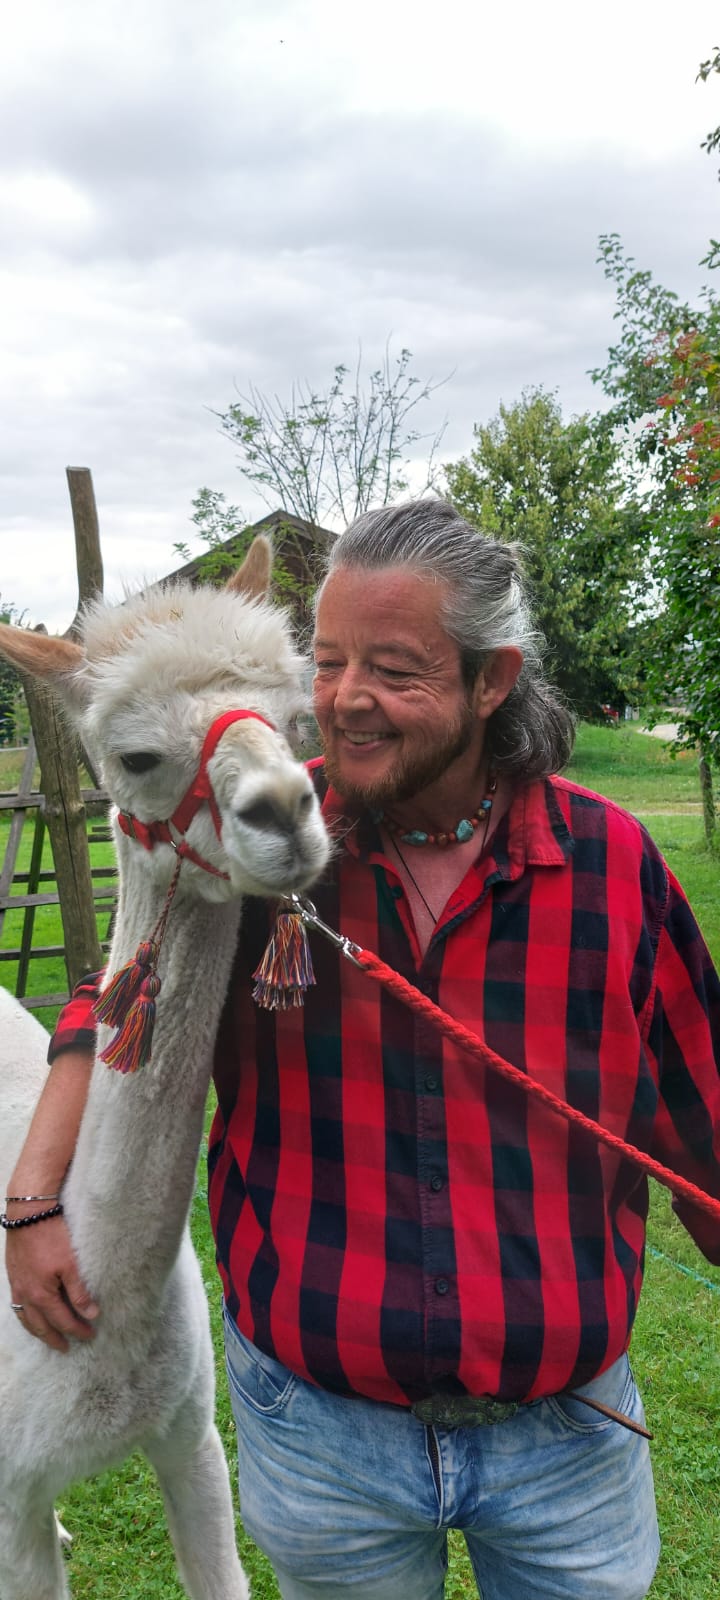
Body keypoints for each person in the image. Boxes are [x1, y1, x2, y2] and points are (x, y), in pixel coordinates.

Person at [5, 498, 720, 1600]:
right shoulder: (258, 845)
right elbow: (122, 989)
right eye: (330, 662)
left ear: (491, 679)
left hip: (565, 1445)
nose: (344, 698)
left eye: (393, 668)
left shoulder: (609, 867)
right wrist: (34, 1195)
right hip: (322, 1441)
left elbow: (701, 1112)